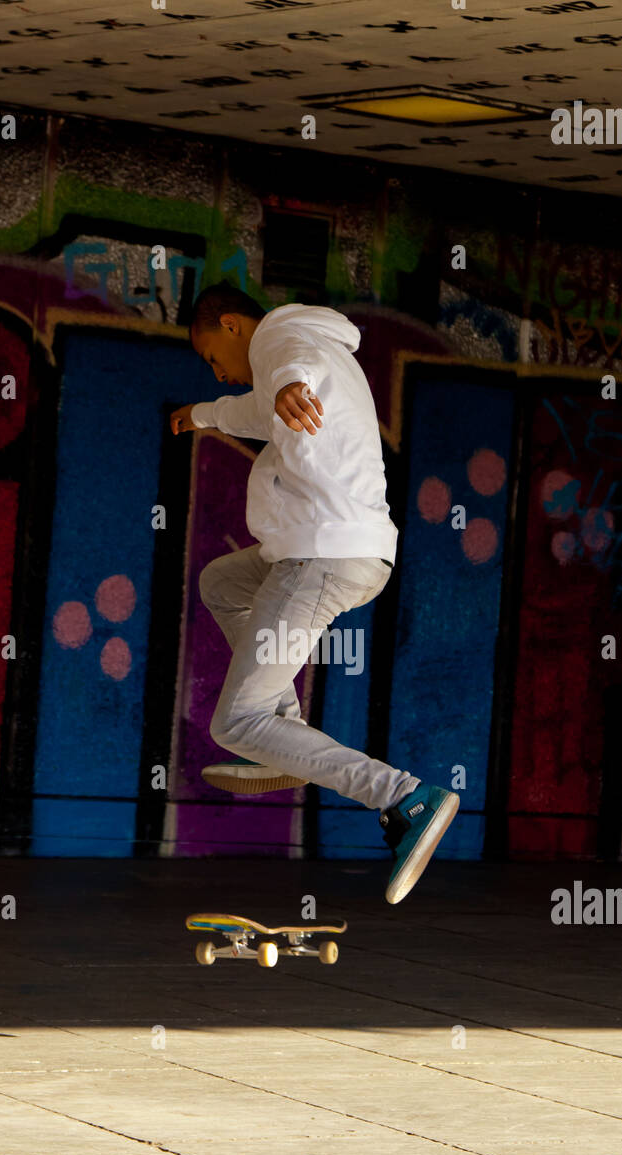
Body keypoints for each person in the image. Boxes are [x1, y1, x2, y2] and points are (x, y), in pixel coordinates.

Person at [170, 281, 458, 903]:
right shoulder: (309, 353)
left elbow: (291, 369)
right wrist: (203, 413)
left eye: (212, 355)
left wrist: (288, 385)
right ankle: (284, 730)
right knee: (221, 581)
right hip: (339, 549)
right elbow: (257, 406)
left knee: (236, 721)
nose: (217, 370)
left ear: (233, 325)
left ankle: (405, 796)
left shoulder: (283, 337)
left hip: (321, 556)